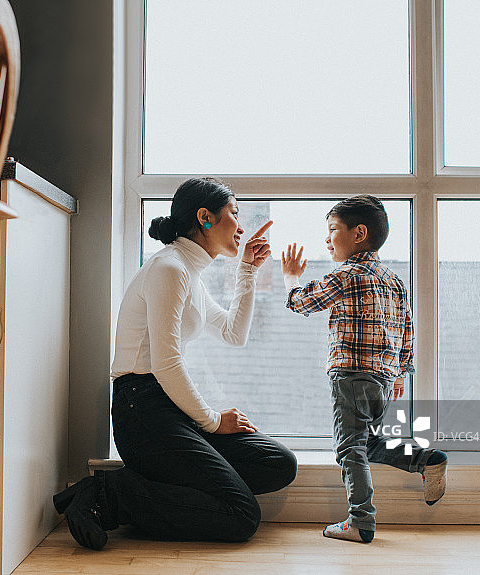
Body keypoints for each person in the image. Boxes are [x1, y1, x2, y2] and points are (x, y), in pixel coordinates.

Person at [53, 177, 297, 550]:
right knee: (241, 515)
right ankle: (109, 494)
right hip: (142, 412)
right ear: (205, 218)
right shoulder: (170, 268)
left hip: (170, 407)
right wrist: (212, 421)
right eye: (234, 213)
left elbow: (233, 333)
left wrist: (247, 270)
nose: (241, 226)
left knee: (279, 464)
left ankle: (160, 486)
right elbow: (166, 364)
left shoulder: (189, 273)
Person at [281, 195, 447, 544]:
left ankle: (361, 520)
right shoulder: (394, 280)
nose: (327, 239)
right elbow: (407, 330)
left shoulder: (346, 274)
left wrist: (291, 277)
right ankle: (426, 460)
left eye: (332, 230)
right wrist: (399, 373)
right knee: (368, 443)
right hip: (383, 378)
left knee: (349, 447)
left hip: (351, 376)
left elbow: (302, 302)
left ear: (358, 234)